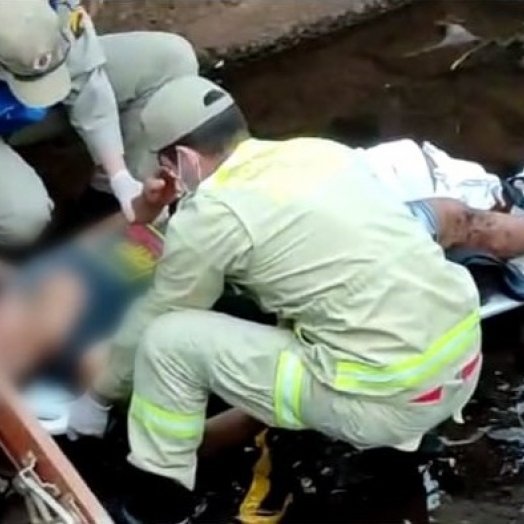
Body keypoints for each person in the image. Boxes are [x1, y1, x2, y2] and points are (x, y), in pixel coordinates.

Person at [62, 76, 484, 524]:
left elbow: (162, 311)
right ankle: (395, 450)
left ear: (182, 159)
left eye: (167, 165)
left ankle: (156, 504)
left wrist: (97, 399)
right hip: (460, 361)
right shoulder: (319, 153)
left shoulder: (215, 212)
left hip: (388, 402)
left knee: (169, 342)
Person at [0, 0, 199, 247]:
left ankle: (109, 211)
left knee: (171, 60)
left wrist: (119, 178)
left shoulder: (54, 8)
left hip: (34, 101)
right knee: (23, 217)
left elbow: (85, 79)